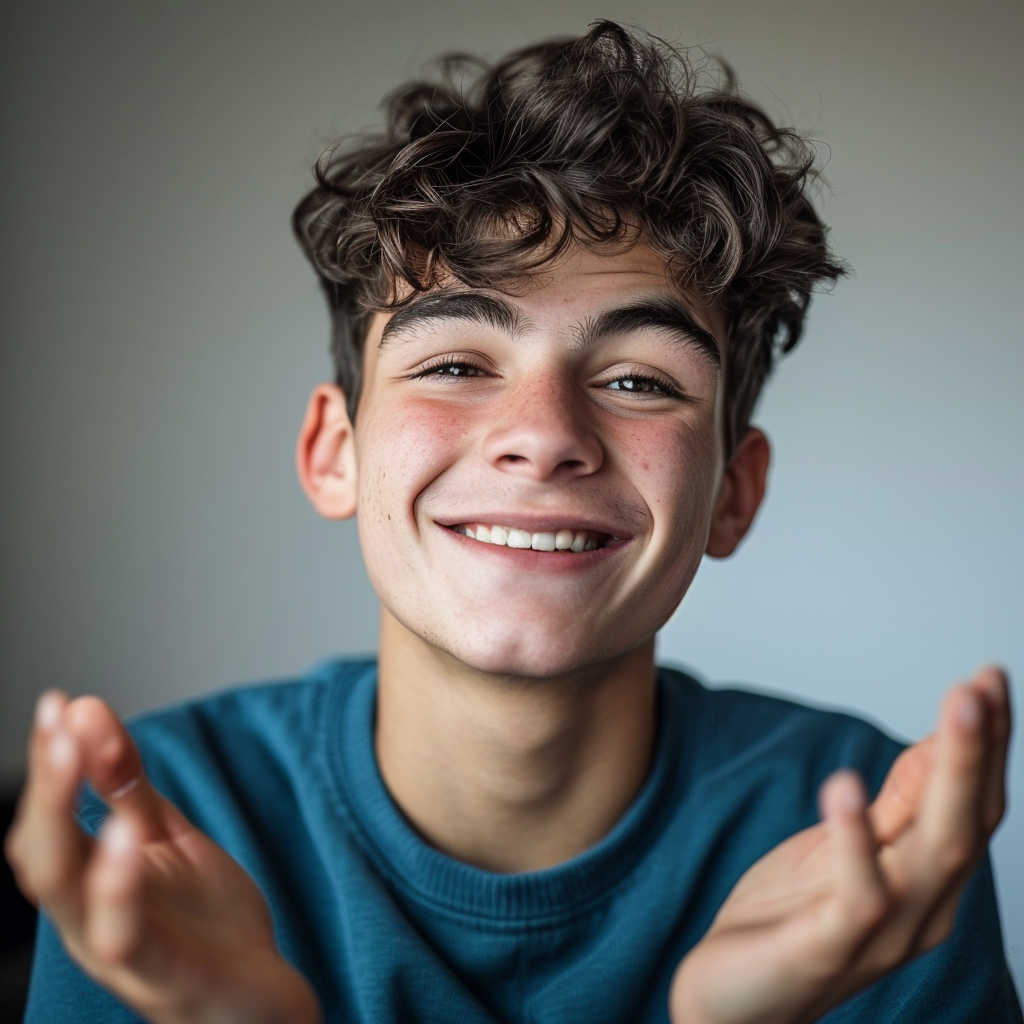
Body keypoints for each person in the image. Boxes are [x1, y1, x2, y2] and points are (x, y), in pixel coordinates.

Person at [5, 20, 1020, 1024]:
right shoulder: (159, 812)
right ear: (334, 450)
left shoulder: (867, 834)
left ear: (732, 492)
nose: (541, 437)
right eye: (453, 363)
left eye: (636, 379)